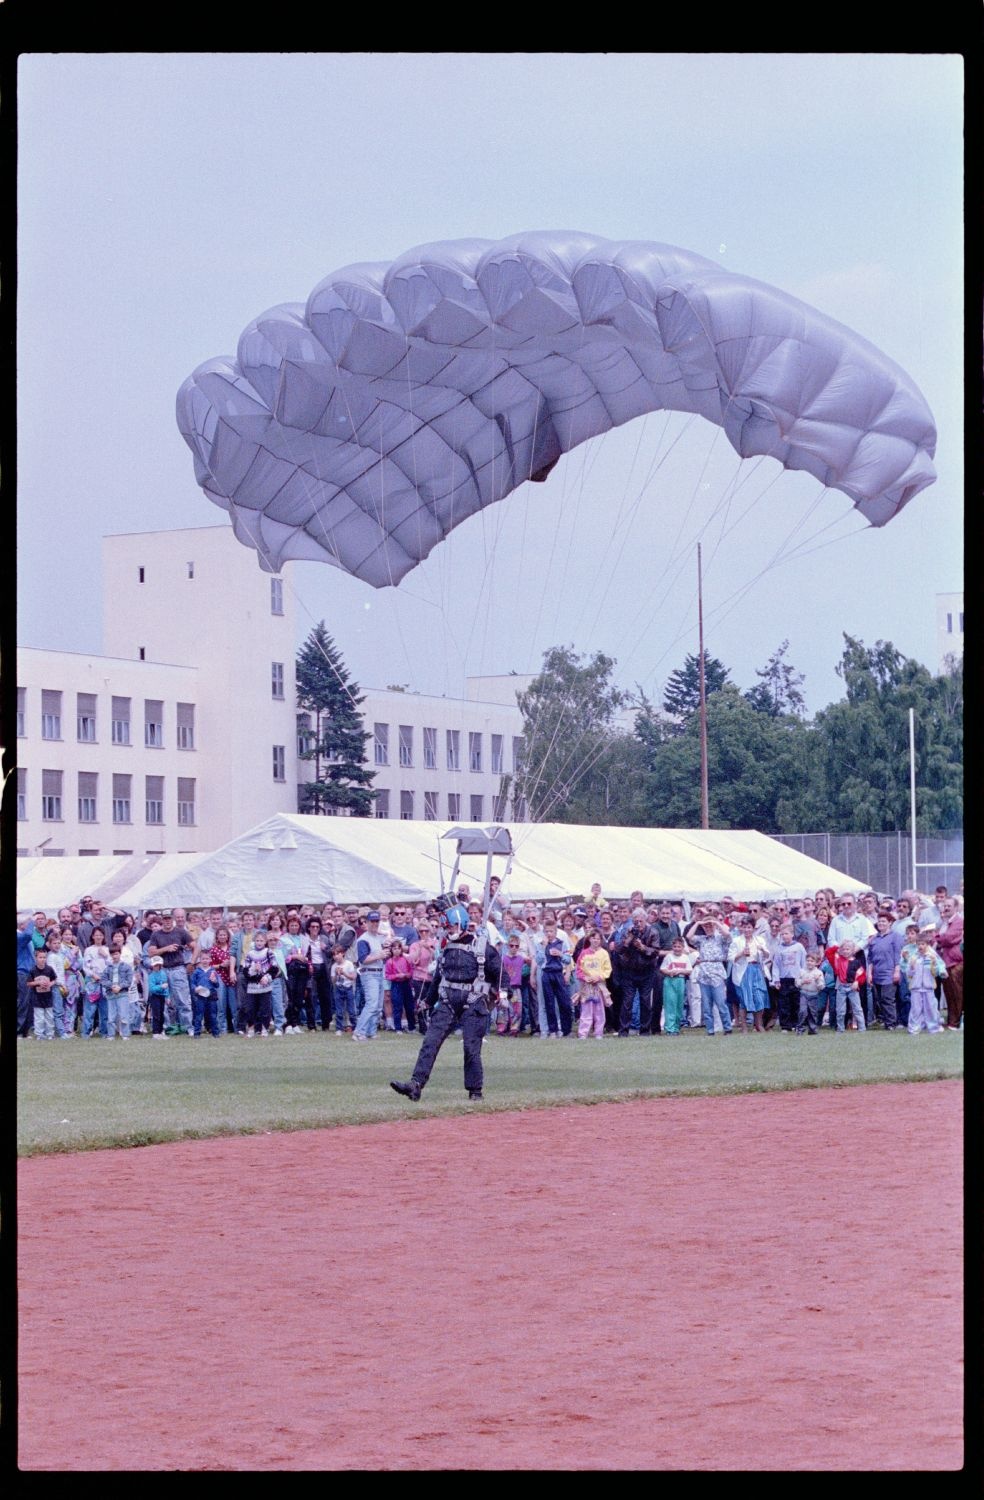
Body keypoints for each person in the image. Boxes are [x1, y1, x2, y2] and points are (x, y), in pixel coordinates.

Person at [390, 908, 502, 1102]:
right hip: (447, 1000)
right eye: (447, 927)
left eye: (452, 926)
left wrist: (503, 992)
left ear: (463, 924)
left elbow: (500, 973)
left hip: (473, 1001)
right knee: (430, 1042)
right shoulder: (446, 947)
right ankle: (415, 1084)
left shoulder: (481, 946)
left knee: (471, 1047)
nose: (449, 930)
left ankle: (475, 1091)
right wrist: (428, 1001)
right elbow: (438, 977)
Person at [146, 911, 195, 1036]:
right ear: (162, 920)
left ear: (172, 919)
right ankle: (166, 1027)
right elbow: (151, 952)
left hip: (178, 968)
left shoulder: (181, 932)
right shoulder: (156, 935)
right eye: (165, 919)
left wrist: (192, 963)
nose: (167, 921)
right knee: (163, 1000)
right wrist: (166, 949)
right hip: (163, 970)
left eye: (169, 918)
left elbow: (196, 946)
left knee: (183, 1000)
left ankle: (188, 1027)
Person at [685, 910, 733, 1036]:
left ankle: (727, 1027)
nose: (708, 928)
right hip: (704, 972)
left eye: (710, 926)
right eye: (706, 926)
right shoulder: (701, 939)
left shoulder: (720, 938)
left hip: (716, 970)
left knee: (721, 1002)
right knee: (706, 1005)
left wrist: (715, 922)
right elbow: (688, 937)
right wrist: (699, 923)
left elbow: (727, 934)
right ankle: (710, 1030)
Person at [615, 908, 659, 1037]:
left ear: (645, 920)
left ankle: (645, 1031)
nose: (638, 924)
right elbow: (619, 950)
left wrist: (643, 947)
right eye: (636, 921)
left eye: (640, 921)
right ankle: (623, 1031)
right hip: (629, 972)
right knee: (627, 1001)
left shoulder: (653, 932)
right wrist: (628, 940)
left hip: (647, 971)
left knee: (645, 1001)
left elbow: (656, 952)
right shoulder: (627, 931)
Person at [728, 918, 770, 1034]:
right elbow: (730, 958)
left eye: (749, 927)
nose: (747, 930)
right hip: (744, 971)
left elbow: (767, 955)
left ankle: (758, 1024)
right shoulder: (737, 941)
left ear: (753, 928)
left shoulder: (759, 940)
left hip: (757, 970)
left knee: (759, 997)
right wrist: (741, 954)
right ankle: (744, 1026)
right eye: (745, 927)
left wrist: (763, 950)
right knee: (745, 998)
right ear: (742, 928)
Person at [352, 911, 388, 1040]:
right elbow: (363, 959)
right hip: (369, 973)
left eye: (376, 921)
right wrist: (379, 955)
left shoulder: (377, 938)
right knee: (372, 1004)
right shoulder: (363, 939)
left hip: (378, 972)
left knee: (377, 1006)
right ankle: (359, 1031)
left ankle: (370, 1031)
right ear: (366, 923)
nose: (375, 924)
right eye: (372, 921)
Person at [905, 931, 947, 1035]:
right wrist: (912, 968)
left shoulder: (932, 955)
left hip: (929, 987)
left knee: (931, 1008)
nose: (920, 946)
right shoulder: (913, 957)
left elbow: (939, 968)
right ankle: (914, 1029)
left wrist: (940, 969)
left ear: (927, 944)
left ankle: (933, 1027)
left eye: (923, 944)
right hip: (916, 987)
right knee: (915, 1009)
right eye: (919, 944)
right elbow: (908, 972)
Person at [867, 914, 903, 1029]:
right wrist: (869, 973)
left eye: (884, 921)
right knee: (880, 1000)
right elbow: (871, 958)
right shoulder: (874, 939)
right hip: (877, 973)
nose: (881, 923)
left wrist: (897, 971)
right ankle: (887, 1021)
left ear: (890, 923)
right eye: (879, 921)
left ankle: (891, 1023)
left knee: (888, 999)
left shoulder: (895, 937)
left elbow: (898, 955)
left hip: (890, 973)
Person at [575, 928, 612, 1038]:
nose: (596, 940)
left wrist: (600, 977)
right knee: (586, 1010)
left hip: (599, 986)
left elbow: (608, 970)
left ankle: (598, 1032)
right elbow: (578, 969)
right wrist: (584, 977)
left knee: (599, 1011)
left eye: (598, 939)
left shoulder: (604, 953)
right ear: (589, 939)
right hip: (587, 986)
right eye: (593, 938)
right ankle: (583, 1033)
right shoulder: (583, 953)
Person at [659, 935, 696, 1035]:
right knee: (670, 1004)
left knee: (679, 1004)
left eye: (679, 947)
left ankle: (676, 1027)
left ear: (683, 948)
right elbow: (662, 968)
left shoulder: (685, 958)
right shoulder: (669, 957)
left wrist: (681, 971)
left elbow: (689, 970)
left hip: (680, 980)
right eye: (675, 946)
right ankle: (669, 1028)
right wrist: (669, 972)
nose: (677, 949)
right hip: (670, 981)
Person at [828, 939, 867, 1033]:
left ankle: (862, 1028)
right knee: (840, 1010)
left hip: (852, 988)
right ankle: (840, 1029)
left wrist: (857, 982)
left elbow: (862, 975)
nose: (845, 951)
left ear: (853, 950)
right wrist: (838, 946)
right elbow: (828, 952)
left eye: (848, 949)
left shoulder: (856, 962)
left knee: (857, 1009)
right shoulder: (837, 960)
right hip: (841, 987)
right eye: (843, 949)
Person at [384, 938, 415, 1034]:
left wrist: (406, 975)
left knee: (409, 1006)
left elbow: (411, 971)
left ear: (401, 949)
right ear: (391, 950)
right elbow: (387, 975)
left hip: (406, 984)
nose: (396, 950)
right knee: (397, 1006)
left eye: (398, 948)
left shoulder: (405, 959)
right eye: (394, 948)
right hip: (396, 985)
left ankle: (411, 1027)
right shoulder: (390, 962)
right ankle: (398, 1027)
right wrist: (397, 976)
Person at [26, 947, 58, 1040]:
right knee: (39, 1018)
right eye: (40, 957)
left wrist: (50, 984)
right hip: (37, 998)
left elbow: (54, 979)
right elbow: (28, 983)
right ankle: (39, 1034)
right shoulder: (33, 970)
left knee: (49, 1017)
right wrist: (38, 983)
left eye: (44, 957)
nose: (42, 959)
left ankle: (50, 1034)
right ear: (36, 958)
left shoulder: (49, 969)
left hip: (48, 998)